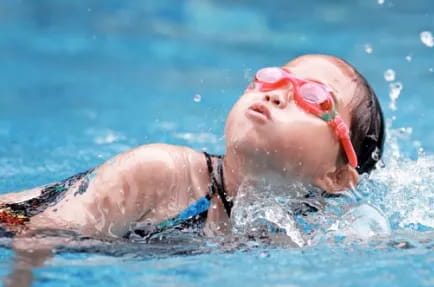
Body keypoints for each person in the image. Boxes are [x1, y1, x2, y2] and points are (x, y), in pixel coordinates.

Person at [0, 54, 384, 240]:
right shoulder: (161, 173)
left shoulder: (294, 232)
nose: (278, 94)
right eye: (275, 78)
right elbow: (40, 234)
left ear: (336, 176)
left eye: (315, 97)